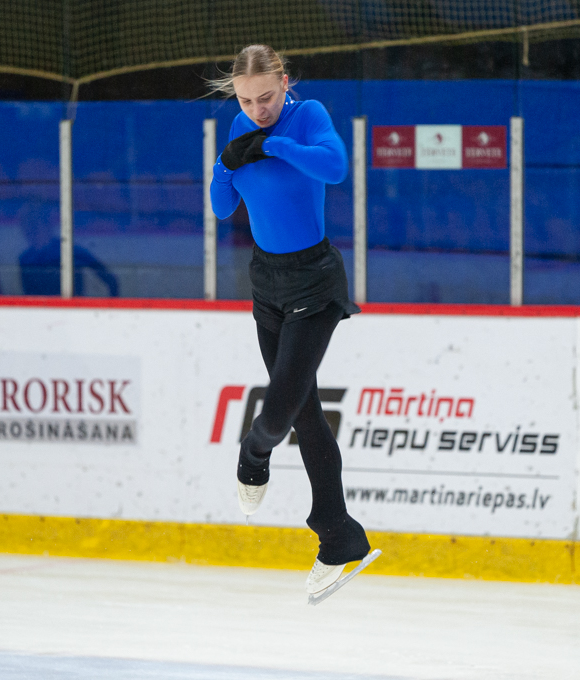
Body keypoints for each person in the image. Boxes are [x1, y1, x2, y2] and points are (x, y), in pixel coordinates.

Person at [208, 44, 373, 597]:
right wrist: (225, 165)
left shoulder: (308, 116)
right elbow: (221, 206)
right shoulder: (241, 126)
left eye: (266, 97)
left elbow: (335, 166)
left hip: (315, 283)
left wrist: (274, 145)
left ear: (284, 81)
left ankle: (252, 455)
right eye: (246, 101)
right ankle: (338, 535)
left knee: (276, 413)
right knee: (305, 416)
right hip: (266, 284)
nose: (257, 110)